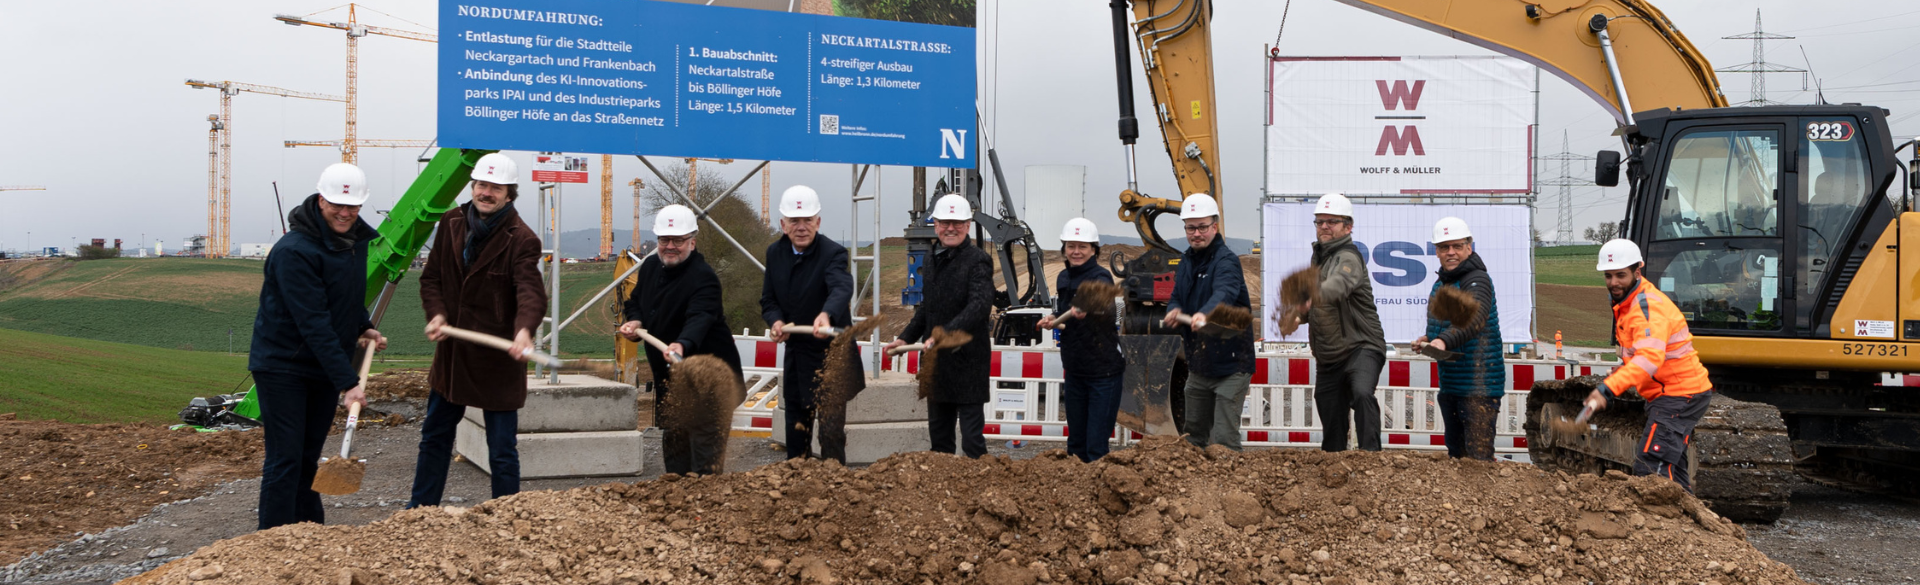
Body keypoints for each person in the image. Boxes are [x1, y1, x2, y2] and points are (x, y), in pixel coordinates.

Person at [247, 163, 387, 530]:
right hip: (283, 366)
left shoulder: (351, 242)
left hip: (321, 366)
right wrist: (348, 382)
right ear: (320, 199)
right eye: (336, 204)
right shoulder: (294, 251)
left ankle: (310, 536)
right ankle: (273, 542)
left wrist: (363, 326)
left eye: (353, 206)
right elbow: (312, 321)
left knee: (309, 457)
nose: (344, 213)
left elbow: (343, 297)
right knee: (286, 458)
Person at [407, 153, 547, 508]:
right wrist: (437, 313)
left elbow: (529, 292)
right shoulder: (452, 222)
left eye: (495, 188)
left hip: (497, 359)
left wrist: (524, 331)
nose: (486, 193)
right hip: (453, 356)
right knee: (434, 437)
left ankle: (506, 515)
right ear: (473, 186)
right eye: (482, 185)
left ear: (509, 194)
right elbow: (432, 278)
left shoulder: (522, 239)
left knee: (501, 449)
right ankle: (421, 511)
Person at [618, 204, 744, 475]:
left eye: (678, 240)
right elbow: (636, 301)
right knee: (675, 453)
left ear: (692, 242)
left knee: (704, 458)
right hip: (672, 383)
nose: (670, 246)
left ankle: (706, 511)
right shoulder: (651, 266)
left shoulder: (704, 278)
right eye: (665, 240)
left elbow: (700, 317)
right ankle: (677, 510)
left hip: (709, 383)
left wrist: (682, 343)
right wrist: (636, 320)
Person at [1583, 239, 1715, 491]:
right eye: (1608, 276)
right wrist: (1616, 384)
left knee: (1650, 470)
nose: (1613, 282)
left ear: (1637, 272)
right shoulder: (1629, 304)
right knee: (1671, 468)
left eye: (1620, 275)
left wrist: (1608, 389)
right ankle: (1685, 525)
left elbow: (1649, 360)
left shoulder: (1646, 308)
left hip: (1678, 395)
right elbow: (1638, 357)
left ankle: (1660, 528)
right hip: (1674, 393)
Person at [882, 194, 994, 459]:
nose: (950, 228)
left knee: (972, 443)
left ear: (967, 225)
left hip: (968, 363)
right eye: (945, 222)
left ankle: (981, 494)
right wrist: (904, 338)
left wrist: (946, 333)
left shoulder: (978, 260)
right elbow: (927, 310)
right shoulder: (931, 259)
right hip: (936, 365)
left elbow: (979, 306)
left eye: (957, 223)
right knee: (940, 443)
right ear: (935, 225)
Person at [760, 185, 858, 462]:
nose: (801, 227)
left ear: (818, 222)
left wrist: (826, 313)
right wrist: (776, 320)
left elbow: (841, 287)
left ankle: (834, 485)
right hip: (797, 355)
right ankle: (796, 484)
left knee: (831, 433)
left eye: (807, 221)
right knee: (796, 429)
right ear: (783, 224)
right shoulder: (775, 253)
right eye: (794, 221)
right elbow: (768, 300)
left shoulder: (833, 253)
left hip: (831, 357)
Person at [1160, 194, 1257, 450]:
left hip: (1232, 363)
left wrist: (1206, 314)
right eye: (1191, 228)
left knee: (1224, 440)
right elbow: (1177, 296)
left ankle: (1230, 488)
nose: (1197, 233)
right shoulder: (1185, 261)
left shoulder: (1227, 261)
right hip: (1200, 363)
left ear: (1215, 226)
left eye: (1203, 227)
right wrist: (1173, 311)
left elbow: (1223, 293)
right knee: (1193, 438)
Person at [1412, 217, 1505, 460]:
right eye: (1444, 247)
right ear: (1437, 252)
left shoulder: (1476, 280)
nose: (1450, 252)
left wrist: (1442, 341)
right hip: (1452, 385)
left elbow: (1473, 318)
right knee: (1457, 455)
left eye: (1457, 246)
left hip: (1479, 388)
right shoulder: (1442, 283)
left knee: (1477, 459)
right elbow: (1447, 324)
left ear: (1469, 247)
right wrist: (1428, 338)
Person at [1303, 192, 1387, 452]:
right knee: (1328, 406)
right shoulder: (1319, 258)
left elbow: (1339, 284)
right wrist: (1298, 314)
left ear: (1348, 227)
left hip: (1361, 345)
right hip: (1331, 353)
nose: (1324, 226)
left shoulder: (1348, 257)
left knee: (1362, 393)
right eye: (1320, 221)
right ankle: (1333, 465)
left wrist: (1313, 297)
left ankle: (1370, 458)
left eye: (1332, 221)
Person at [1038, 218, 1124, 462]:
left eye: (1082, 246)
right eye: (1071, 246)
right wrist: (1054, 318)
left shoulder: (1101, 277)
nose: (1076, 252)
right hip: (1075, 370)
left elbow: (1103, 305)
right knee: (1075, 445)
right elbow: (1067, 312)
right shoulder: (1064, 278)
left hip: (1103, 374)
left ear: (1094, 250)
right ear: (1064, 248)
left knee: (1096, 447)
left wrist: (1091, 308)